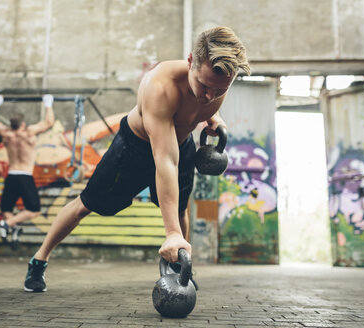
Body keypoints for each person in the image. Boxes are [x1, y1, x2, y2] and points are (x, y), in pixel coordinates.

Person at [23, 26, 251, 292]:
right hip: (134, 148)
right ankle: (39, 259)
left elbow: (200, 109)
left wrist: (216, 119)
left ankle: (178, 266)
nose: (210, 95)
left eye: (220, 91)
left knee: (180, 209)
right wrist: (171, 233)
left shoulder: (216, 79)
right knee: (85, 204)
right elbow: (164, 160)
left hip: (181, 143)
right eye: (204, 86)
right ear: (191, 62)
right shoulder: (160, 87)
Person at [0, 94, 55, 248]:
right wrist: (48, 104)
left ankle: (13, 228)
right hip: (25, 176)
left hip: (11, 176)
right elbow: (49, 122)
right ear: (23, 124)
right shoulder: (29, 133)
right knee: (35, 210)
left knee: (6, 208)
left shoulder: (6, 134)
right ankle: (7, 224)